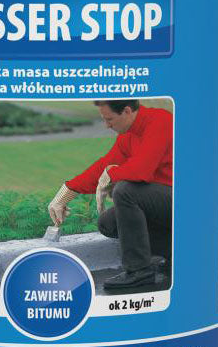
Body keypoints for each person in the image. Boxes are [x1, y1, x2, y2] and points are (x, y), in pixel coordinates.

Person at [48, 100, 173, 289]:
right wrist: (65, 193)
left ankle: (139, 271)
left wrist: (111, 174)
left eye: (109, 119)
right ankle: (174, 252)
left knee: (125, 190)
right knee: (108, 223)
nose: (107, 126)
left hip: (187, 201)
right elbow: (104, 165)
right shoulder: (128, 134)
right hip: (163, 205)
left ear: (127, 111)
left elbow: (142, 170)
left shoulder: (160, 121)